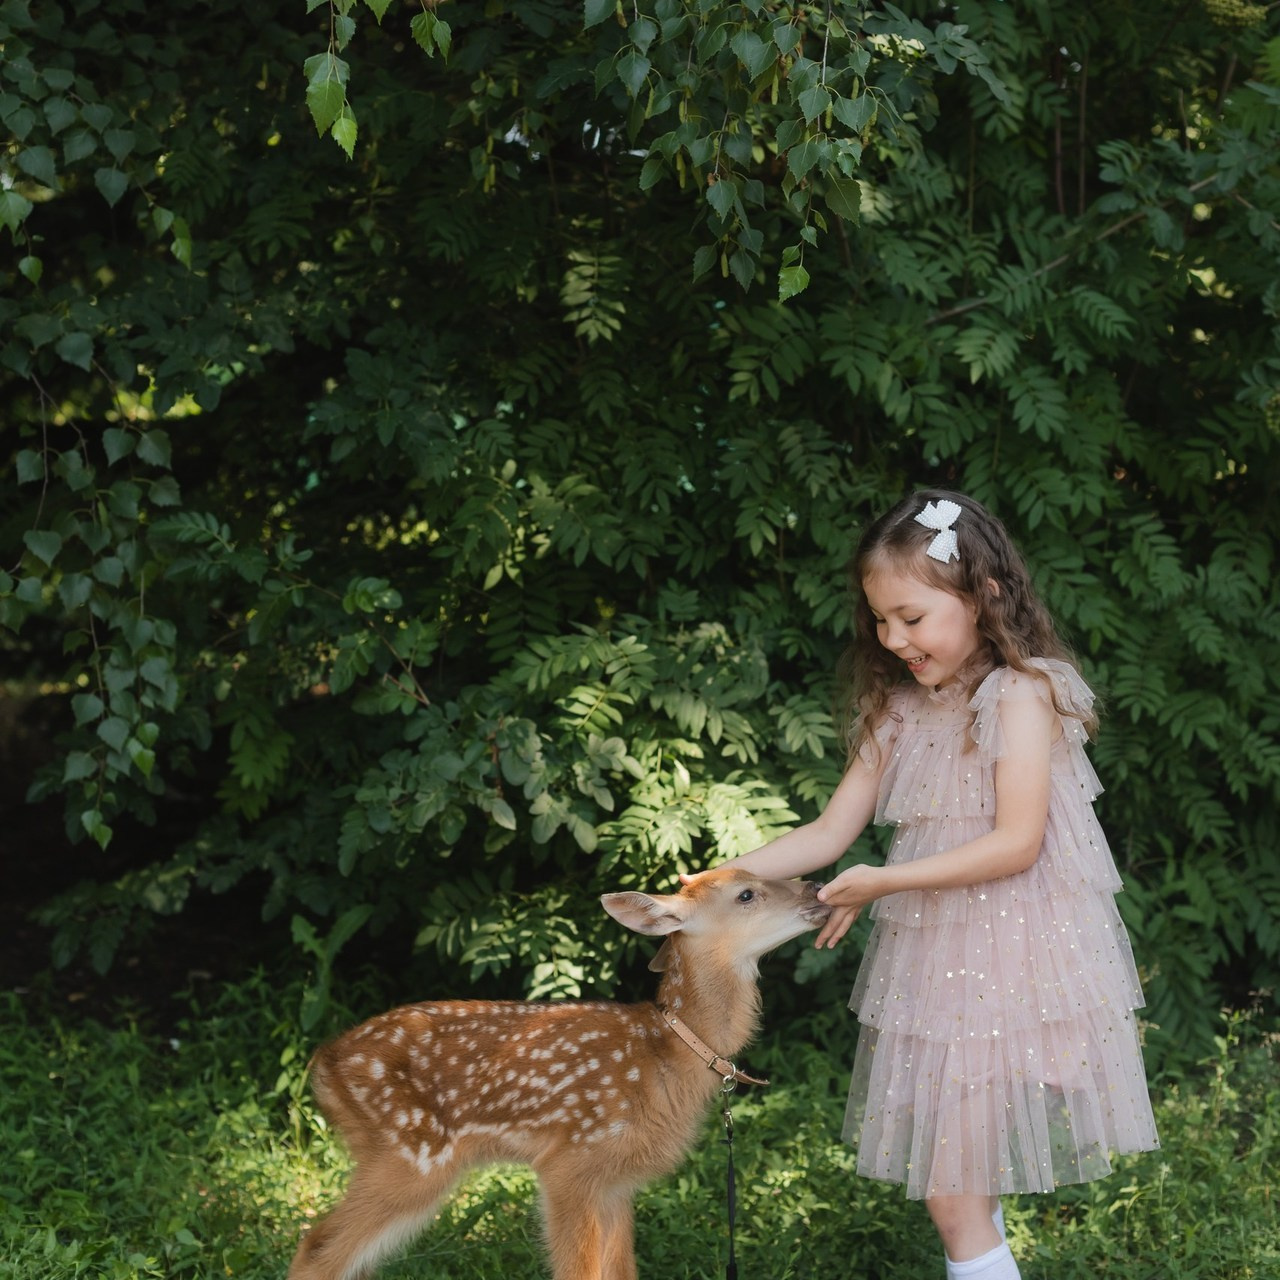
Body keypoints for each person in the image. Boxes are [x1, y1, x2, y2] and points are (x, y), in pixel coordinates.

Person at [681, 489, 1159, 1280]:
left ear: (986, 597)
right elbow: (829, 835)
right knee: (965, 1185)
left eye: (912, 616)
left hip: (1018, 966)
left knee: (950, 1193)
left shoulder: (1021, 694)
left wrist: (883, 880)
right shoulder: (897, 713)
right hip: (940, 970)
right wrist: (720, 879)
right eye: (880, 619)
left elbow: (1017, 843)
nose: (892, 637)